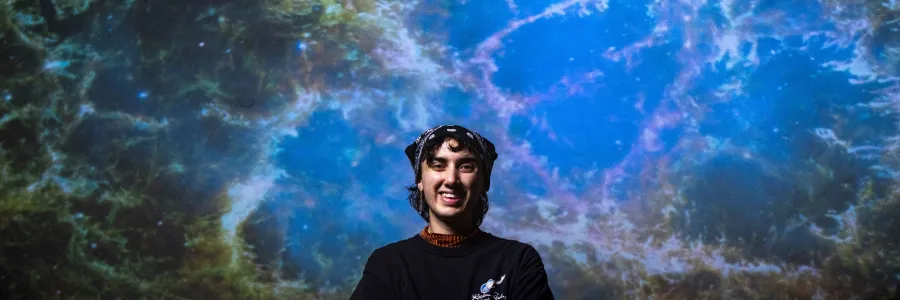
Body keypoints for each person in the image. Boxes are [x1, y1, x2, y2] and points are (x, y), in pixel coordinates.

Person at [350, 124, 555, 300]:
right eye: (438, 165)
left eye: (465, 166)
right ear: (419, 181)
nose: (451, 180)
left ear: (484, 181)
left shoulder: (518, 262)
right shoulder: (388, 263)